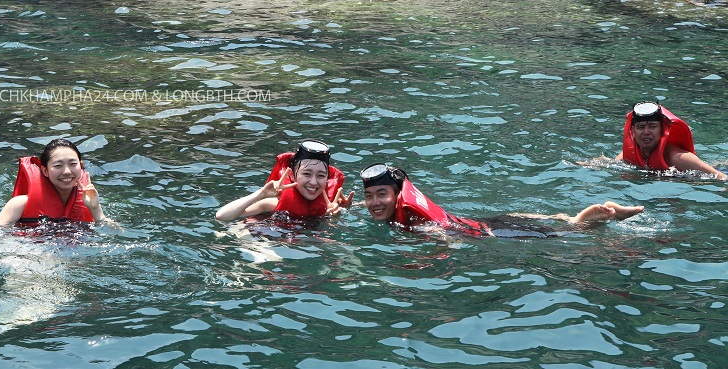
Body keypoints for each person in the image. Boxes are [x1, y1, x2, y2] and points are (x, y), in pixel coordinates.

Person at [360, 163, 644, 237]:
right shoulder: (401, 211)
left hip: (495, 233)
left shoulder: (413, 221)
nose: (374, 203)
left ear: (398, 196)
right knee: (556, 221)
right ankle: (574, 217)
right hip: (487, 221)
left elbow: (441, 237)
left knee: (573, 234)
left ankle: (587, 220)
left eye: (382, 194)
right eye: (369, 196)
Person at [215, 139, 354, 221]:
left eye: (321, 176)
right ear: (292, 176)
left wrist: (341, 212)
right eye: (306, 174)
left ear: (328, 179)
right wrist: (261, 193)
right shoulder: (273, 202)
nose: (313, 182)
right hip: (261, 235)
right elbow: (221, 216)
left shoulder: (331, 206)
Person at [616, 101, 726, 180]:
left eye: (652, 126)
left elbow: (721, 177)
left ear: (662, 130)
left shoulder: (678, 158)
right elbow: (607, 163)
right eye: (641, 127)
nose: (646, 132)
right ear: (633, 132)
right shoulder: (627, 156)